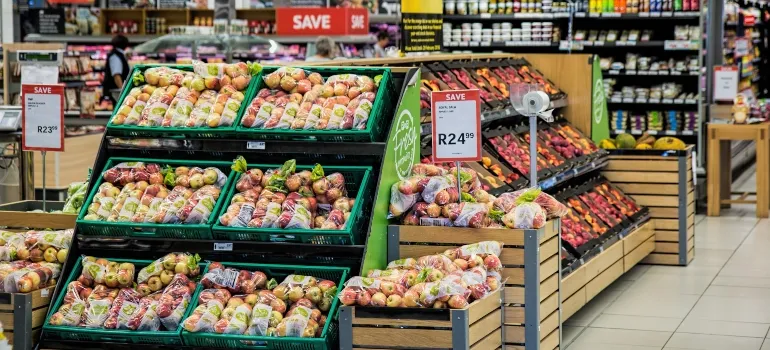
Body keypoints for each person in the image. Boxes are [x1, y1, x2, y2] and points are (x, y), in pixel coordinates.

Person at [102, 34, 130, 103]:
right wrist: (123, 92)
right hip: (115, 93)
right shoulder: (115, 56)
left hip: (114, 92)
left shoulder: (118, 55)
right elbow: (116, 76)